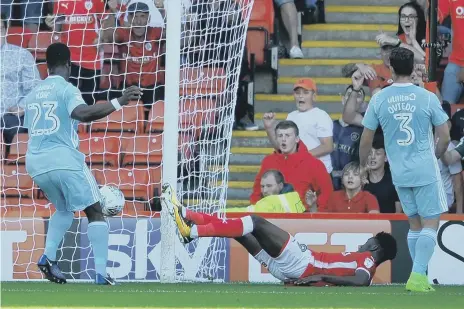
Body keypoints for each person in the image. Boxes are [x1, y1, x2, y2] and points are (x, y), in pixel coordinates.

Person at [24, 43, 142, 285]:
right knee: (95, 210)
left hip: (35, 162)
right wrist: (120, 101)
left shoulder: (34, 93)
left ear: (47, 66)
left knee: (65, 209)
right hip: (63, 159)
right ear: (69, 65)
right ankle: (100, 274)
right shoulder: (67, 89)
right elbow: (84, 114)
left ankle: (48, 257)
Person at [161, 184, 397, 286]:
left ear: (375, 247)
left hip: (302, 263)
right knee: (242, 232)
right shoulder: (364, 259)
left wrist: (319, 278)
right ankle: (186, 215)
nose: (365, 241)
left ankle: (192, 230)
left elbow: (361, 280)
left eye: (370, 240)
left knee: (254, 222)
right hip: (285, 272)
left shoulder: (367, 261)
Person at [358, 47, 450, 292]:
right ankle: (418, 277)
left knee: (415, 226)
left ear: (390, 67)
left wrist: (362, 164)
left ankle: (419, 275)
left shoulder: (379, 98)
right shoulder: (427, 97)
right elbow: (445, 135)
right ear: (413, 68)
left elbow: (366, 139)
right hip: (424, 169)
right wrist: (437, 154)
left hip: (399, 172)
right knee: (430, 225)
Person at [251, 120, 333, 212]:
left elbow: (327, 193)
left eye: (287, 135)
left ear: (297, 139)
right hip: (270, 218)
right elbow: (257, 191)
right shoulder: (268, 161)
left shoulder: (313, 164)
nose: (283, 139)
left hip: (301, 220)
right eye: (280, 136)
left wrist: (316, 216)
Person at [263, 78, 334, 173]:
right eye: (297, 93)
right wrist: (269, 128)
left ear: (314, 96)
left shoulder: (321, 115)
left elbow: (327, 146)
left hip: (318, 172)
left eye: (305, 92)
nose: (301, 96)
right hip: (296, 172)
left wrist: (300, 158)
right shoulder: (291, 116)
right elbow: (281, 148)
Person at [1, 14, 40, 145]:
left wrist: (23, 107)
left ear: (5, 30)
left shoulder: (21, 55)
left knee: (13, 126)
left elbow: (35, 88)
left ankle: (9, 162)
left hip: (10, 116)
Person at [227, 170, 306, 213]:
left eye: (269, 186)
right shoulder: (295, 197)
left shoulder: (269, 201)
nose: (264, 190)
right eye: (262, 186)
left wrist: (220, 212)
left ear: (280, 185)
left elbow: (245, 212)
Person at [364, 136, 402, 213]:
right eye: (370, 153)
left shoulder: (394, 181)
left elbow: (398, 213)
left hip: (388, 223)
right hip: (365, 224)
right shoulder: (361, 180)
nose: (373, 157)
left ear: (386, 158)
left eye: (377, 153)